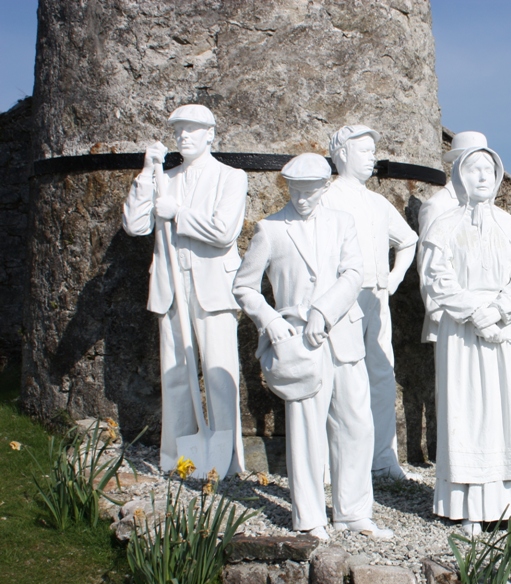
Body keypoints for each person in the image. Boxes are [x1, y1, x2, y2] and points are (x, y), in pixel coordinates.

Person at [233, 153, 392, 540]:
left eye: (310, 191)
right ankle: (308, 517)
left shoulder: (342, 223)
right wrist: (271, 321)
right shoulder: (270, 229)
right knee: (306, 431)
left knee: (356, 424)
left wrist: (325, 311)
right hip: (299, 343)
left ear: (325, 187)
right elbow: (243, 287)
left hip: (343, 335)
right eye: (296, 190)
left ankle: (353, 511)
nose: (302, 198)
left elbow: (354, 272)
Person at [418, 145, 511, 536]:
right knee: (468, 412)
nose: (481, 176)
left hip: (503, 333)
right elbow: (437, 278)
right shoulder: (444, 226)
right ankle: (469, 505)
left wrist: (499, 312)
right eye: (473, 169)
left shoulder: (510, 227)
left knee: (510, 413)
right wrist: (475, 313)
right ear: (459, 176)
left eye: (488, 169)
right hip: (462, 335)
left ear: (498, 176)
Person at [122, 104, 246, 474]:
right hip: (172, 283)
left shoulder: (231, 176)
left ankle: (227, 459)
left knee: (220, 370)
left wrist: (178, 213)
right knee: (176, 373)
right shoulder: (164, 179)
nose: (183, 136)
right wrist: (147, 174)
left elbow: (225, 231)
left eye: (192, 129)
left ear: (210, 133)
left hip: (212, 284)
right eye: (178, 130)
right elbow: (134, 225)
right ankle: (177, 457)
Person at [322, 125, 418, 480]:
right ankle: (340, 458)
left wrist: (393, 278)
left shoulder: (378, 203)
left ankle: (383, 456)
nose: (372, 158)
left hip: (376, 297)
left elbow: (408, 240)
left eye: (372, 151)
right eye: (365, 151)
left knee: (380, 373)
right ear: (343, 153)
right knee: (340, 375)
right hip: (343, 299)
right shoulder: (327, 198)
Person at [417, 130, 488, 343]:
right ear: (457, 163)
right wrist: (437, 311)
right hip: (449, 315)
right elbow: (426, 262)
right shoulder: (438, 206)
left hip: (484, 315)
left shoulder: (485, 207)